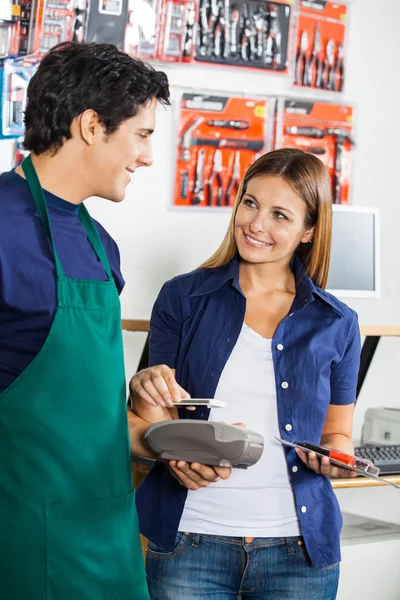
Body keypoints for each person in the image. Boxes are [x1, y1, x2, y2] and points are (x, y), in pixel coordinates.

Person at [128, 148, 361, 600]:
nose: (256, 224)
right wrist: (174, 454)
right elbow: (148, 423)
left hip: (299, 553)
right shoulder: (183, 298)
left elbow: (339, 435)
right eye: (250, 203)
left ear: (309, 230)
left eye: (280, 214)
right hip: (190, 541)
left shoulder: (338, 322)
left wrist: (335, 458)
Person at [0, 41, 169, 599]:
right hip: (22, 540)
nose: (147, 156)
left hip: (110, 535)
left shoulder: (103, 247)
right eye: (142, 135)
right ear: (93, 125)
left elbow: (83, 414)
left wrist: (160, 432)